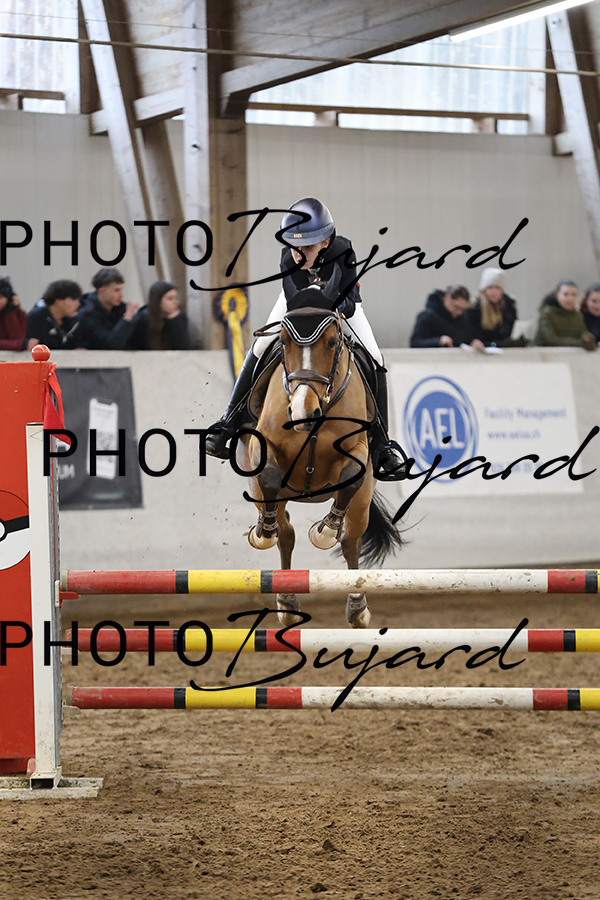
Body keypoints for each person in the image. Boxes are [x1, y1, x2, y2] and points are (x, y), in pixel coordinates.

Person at [204, 197, 407, 479]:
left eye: (308, 247)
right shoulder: (289, 258)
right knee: (261, 345)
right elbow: (296, 303)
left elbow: (349, 303)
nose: (299, 255)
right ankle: (228, 421)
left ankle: (382, 444)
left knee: (374, 357)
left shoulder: (343, 251)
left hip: (340, 306)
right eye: (295, 247)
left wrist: (333, 301)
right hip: (298, 304)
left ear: (325, 242)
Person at [77, 268, 138, 349]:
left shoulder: (119, 308)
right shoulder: (86, 313)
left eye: (121, 290)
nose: (121, 295)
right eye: (116, 290)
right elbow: (111, 344)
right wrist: (128, 316)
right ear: (102, 291)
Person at [410, 285, 483, 349]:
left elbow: (467, 340)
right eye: (456, 307)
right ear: (447, 298)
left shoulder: (463, 318)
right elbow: (415, 343)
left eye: (463, 309)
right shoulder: (427, 316)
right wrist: (438, 341)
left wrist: (473, 343)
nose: (459, 312)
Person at [534, 280, 596, 350]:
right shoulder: (547, 314)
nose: (570, 298)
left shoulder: (578, 315)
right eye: (565, 294)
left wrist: (587, 337)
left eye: (574, 295)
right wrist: (581, 343)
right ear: (557, 296)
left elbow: (582, 332)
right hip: (541, 352)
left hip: (570, 352)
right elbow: (551, 340)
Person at [128, 281, 190, 350]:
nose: (176, 302)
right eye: (170, 299)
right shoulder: (142, 320)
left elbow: (183, 348)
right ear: (157, 301)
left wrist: (174, 322)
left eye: (176, 298)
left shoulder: (179, 317)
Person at [26, 280, 84, 350]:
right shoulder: (36, 318)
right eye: (73, 299)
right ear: (59, 301)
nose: (78, 303)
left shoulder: (73, 321)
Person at [467, 268, 518, 346]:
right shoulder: (476, 306)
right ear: (484, 290)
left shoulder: (508, 305)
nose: (493, 291)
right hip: (482, 346)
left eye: (497, 287)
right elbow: (473, 334)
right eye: (490, 288)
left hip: (502, 346)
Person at [0, 277, 27, 352]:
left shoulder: (17, 313)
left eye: (0, 297)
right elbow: (20, 344)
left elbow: (18, 338)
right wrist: (20, 345)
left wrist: (10, 313)